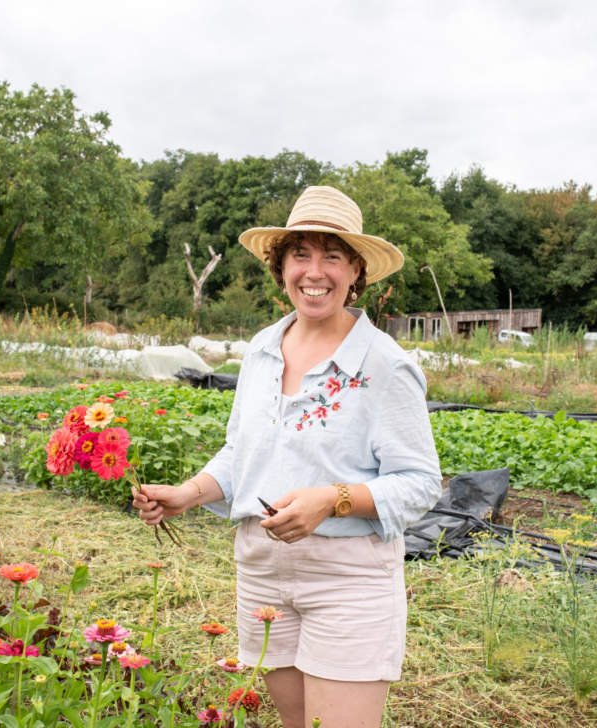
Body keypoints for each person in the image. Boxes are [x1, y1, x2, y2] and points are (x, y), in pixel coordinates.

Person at [132, 185, 441, 728]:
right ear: (281, 266)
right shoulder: (260, 350)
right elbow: (242, 452)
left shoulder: (384, 366)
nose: (314, 271)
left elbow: (419, 483)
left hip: (346, 580)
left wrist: (332, 498)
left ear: (355, 271)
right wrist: (187, 493)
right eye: (301, 254)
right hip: (261, 572)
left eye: (332, 256)